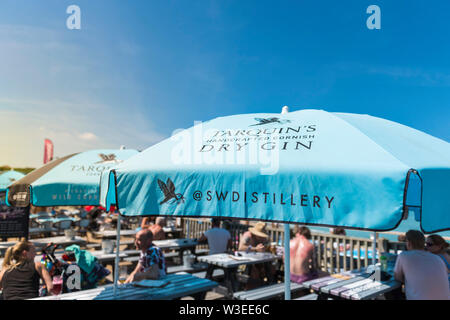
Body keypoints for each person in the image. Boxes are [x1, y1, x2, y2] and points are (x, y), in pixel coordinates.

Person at [394, 230, 450, 300]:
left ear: (409, 243)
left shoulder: (403, 256)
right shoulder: (437, 258)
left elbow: (398, 277)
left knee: (393, 294)